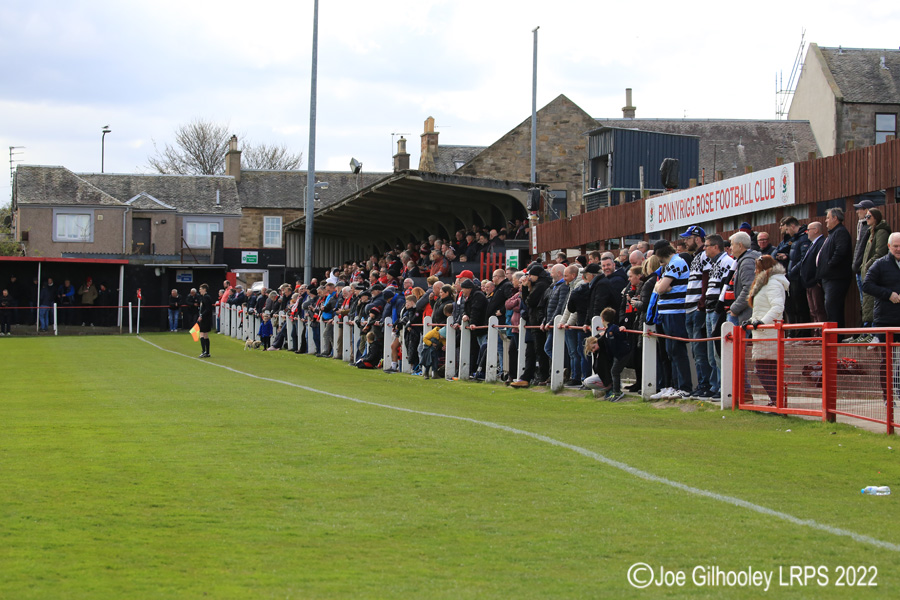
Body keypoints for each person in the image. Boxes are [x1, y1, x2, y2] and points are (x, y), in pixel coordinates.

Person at [861, 232, 900, 405]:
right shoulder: (880, 264)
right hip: (886, 320)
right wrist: (888, 294)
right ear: (889, 247)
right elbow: (867, 284)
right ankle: (887, 397)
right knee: (887, 361)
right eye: (896, 246)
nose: (899, 249)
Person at [747, 255, 789, 406]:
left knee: (762, 369)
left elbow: (777, 307)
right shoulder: (767, 283)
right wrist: (753, 321)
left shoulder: (772, 284)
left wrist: (762, 322)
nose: (754, 272)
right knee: (768, 369)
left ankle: (777, 401)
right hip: (763, 331)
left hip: (768, 332)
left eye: (757, 268)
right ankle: (777, 401)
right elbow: (761, 309)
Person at [653, 243, 692, 398]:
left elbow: (661, 289)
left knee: (677, 350)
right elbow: (659, 287)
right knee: (670, 351)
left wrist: (662, 287)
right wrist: (661, 286)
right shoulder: (670, 265)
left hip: (675, 312)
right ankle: (675, 386)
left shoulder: (676, 263)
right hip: (668, 311)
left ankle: (684, 387)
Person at [817, 207, 853, 329]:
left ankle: (835, 337)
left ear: (835, 218)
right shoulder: (832, 233)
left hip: (836, 278)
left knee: (833, 308)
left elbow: (840, 252)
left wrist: (829, 265)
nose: (826, 221)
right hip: (829, 277)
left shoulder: (840, 232)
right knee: (830, 308)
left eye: (828, 218)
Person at [858, 208, 891, 336]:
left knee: (871, 304)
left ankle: (872, 334)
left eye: (869, 217)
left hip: (872, 273)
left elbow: (879, 253)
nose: (866, 219)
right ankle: (868, 333)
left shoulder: (881, 232)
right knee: (865, 304)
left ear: (876, 218)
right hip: (865, 272)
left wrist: (866, 266)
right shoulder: (871, 231)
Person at [728, 231, 761, 327]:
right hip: (745, 312)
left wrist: (735, 308)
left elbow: (749, 289)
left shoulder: (747, 262)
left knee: (736, 341)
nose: (730, 248)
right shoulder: (747, 260)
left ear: (740, 245)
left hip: (746, 314)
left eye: (732, 244)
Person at [800, 221, 827, 323]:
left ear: (816, 230)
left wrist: (817, 279)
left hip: (815, 282)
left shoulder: (821, 243)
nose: (806, 232)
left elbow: (820, 262)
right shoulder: (812, 244)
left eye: (808, 230)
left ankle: (821, 335)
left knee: (818, 309)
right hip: (809, 282)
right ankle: (817, 335)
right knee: (813, 310)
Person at [851, 199, 875, 307]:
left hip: (863, 269)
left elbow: (864, 249)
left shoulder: (869, 227)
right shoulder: (861, 225)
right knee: (863, 300)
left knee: (866, 301)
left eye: (860, 209)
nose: (857, 211)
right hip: (859, 268)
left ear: (867, 210)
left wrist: (861, 266)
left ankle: (868, 323)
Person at [196, 283, 214, 358]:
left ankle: (204, 351)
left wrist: (201, 315)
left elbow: (207, 309)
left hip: (205, 318)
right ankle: (207, 352)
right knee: (205, 335)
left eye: (200, 289)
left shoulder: (206, 297)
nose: (199, 290)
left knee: (202, 334)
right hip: (206, 318)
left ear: (204, 289)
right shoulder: (204, 297)